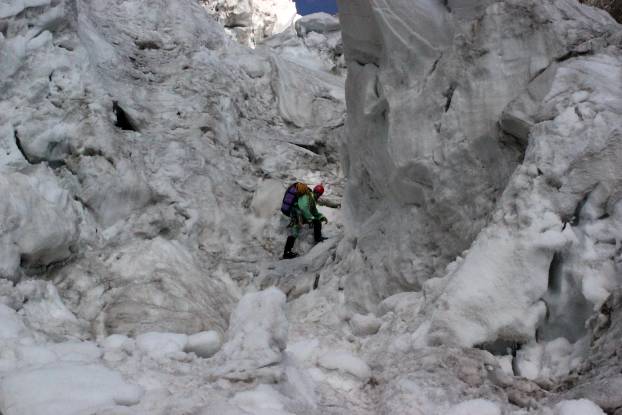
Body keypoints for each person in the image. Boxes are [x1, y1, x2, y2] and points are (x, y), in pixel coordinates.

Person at [283, 184, 328, 259]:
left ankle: (287, 252)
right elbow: (303, 207)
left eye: (319, 194)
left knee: (315, 221)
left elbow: (314, 212)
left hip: (298, 214)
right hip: (296, 213)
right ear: (315, 192)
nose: (318, 195)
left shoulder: (312, 199)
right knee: (295, 232)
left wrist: (321, 217)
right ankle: (287, 253)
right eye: (318, 193)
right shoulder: (307, 196)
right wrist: (310, 218)